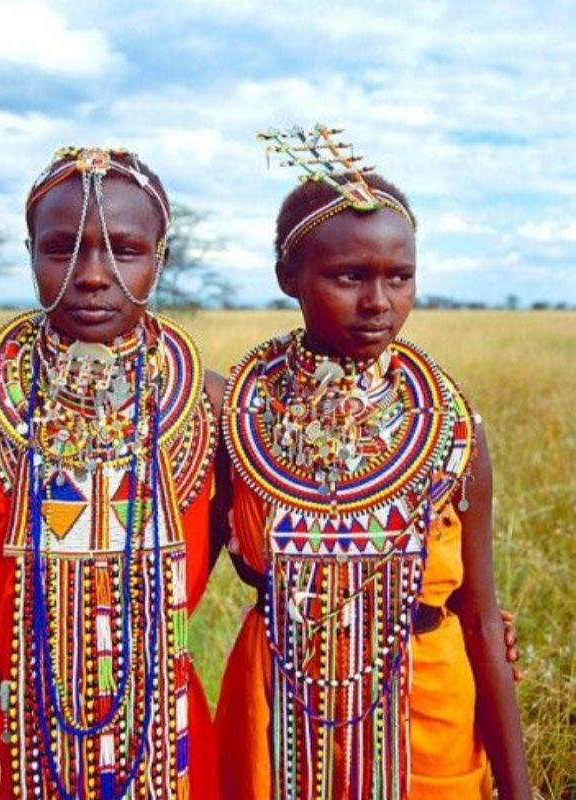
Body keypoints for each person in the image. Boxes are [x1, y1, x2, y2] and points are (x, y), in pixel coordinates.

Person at [0, 146, 226, 800]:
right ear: (29, 254)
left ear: (159, 258)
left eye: (125, 249)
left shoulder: (212, 410)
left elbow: (257, 561)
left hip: (162, 741)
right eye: (60, 248)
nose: (93, 276)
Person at [213, 127, 531, 799]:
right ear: (287, 277)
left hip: (430, 703)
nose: (378, 303)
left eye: (400, 276)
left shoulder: (450, 428)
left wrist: (520, 790)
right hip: (281, 704)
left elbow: (479, 616)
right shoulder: (239, 420)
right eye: (349, 276)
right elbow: (161, 569)